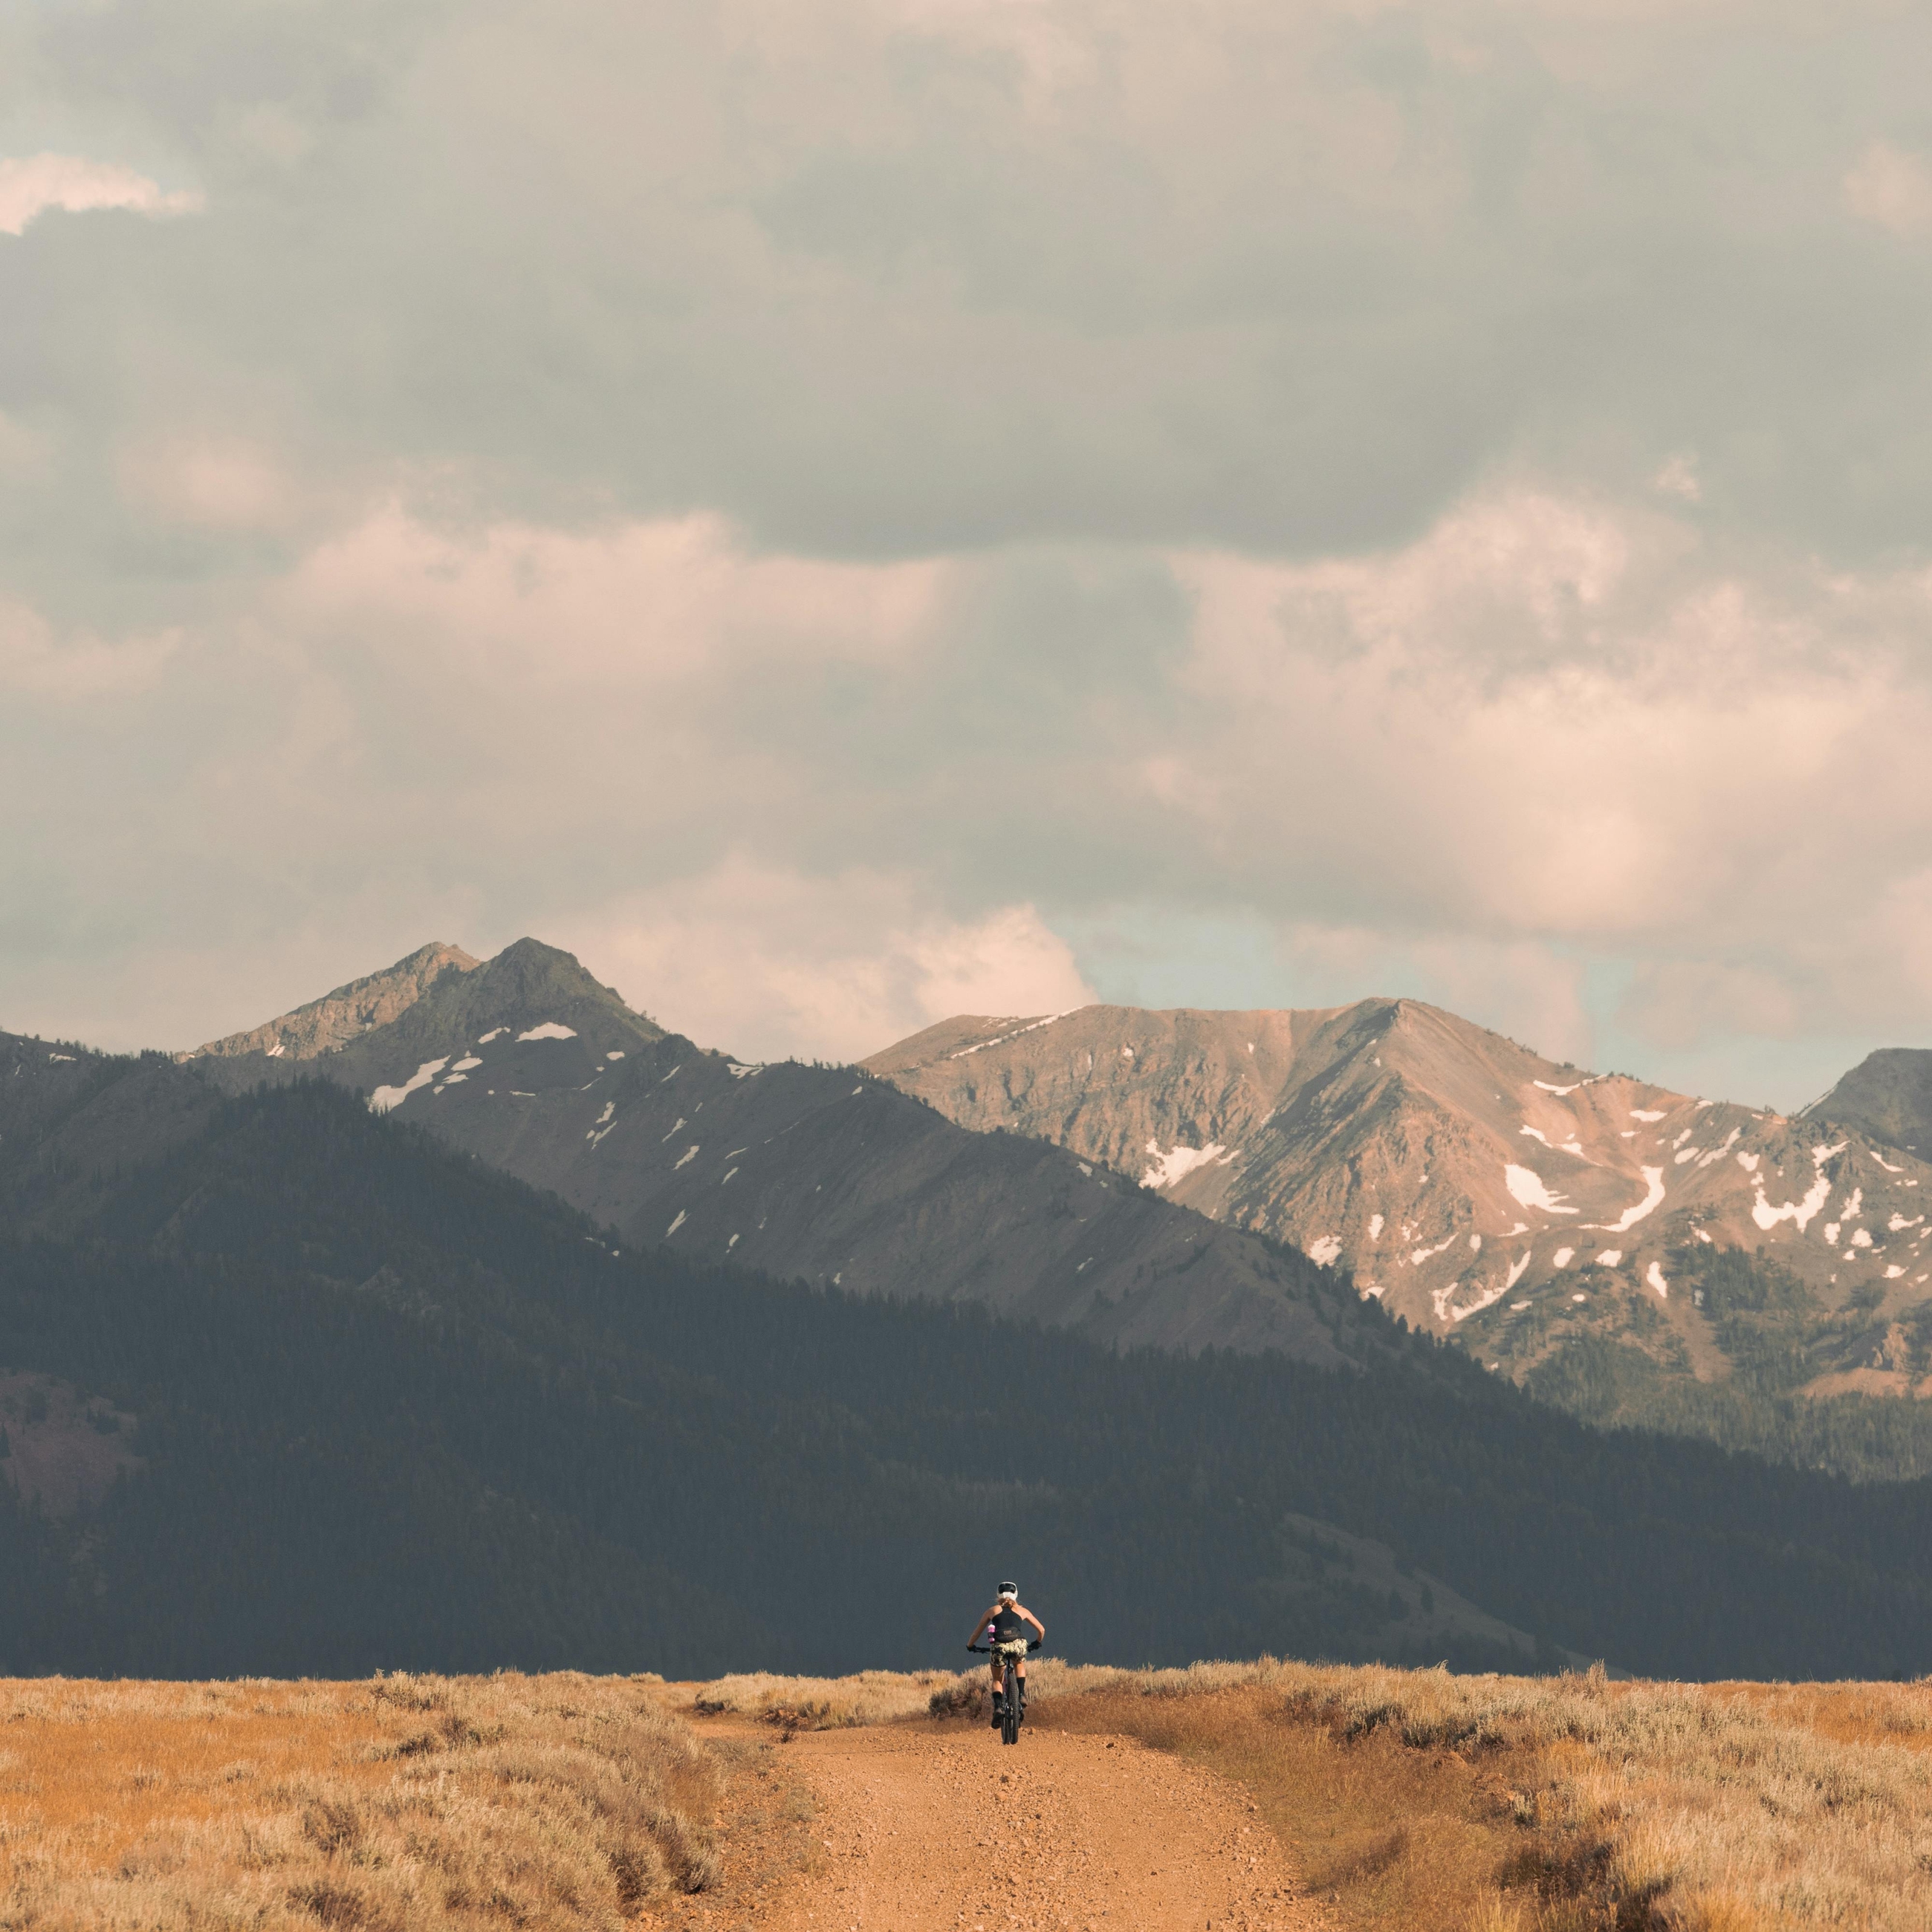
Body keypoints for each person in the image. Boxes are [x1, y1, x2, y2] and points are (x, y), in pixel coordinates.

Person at [967, 1581, 1045, 1730]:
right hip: (1018, 1644)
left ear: (998, 1595)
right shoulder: (1022, 1611)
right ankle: (1021, 1694)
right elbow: (1041, 1630)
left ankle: (998, 1708)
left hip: (999, 1646)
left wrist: (970, 1646)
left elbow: (978, 1631)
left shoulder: (992, 1610)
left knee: (997, 1679)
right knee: (1019, 1663)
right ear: (1016, 1595)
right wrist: (1037, 1643)